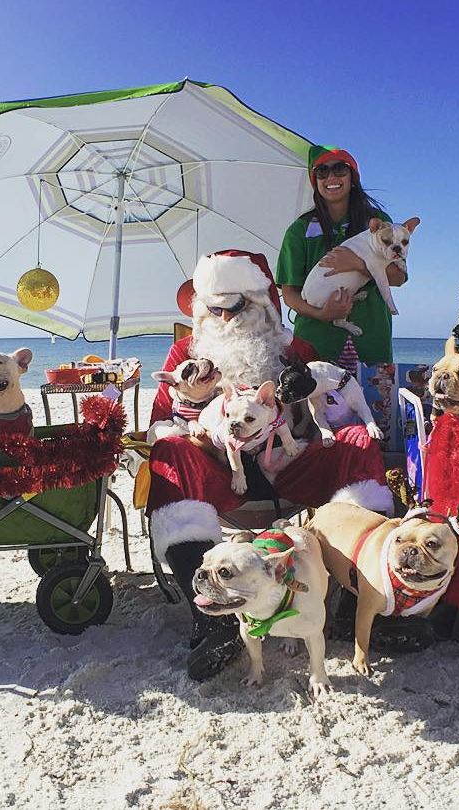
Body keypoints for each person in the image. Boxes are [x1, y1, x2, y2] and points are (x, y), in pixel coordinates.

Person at [147, 250, 393, 681]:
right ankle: (216, 621)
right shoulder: (183, 355)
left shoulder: (294, 349)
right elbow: (159, 426)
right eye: (213, 308)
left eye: (236, 305)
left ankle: (365, 596)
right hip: (219, 469)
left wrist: (309, 393)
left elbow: (335, 413)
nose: (224, 319)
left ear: (261, 304)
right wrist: (191, 412)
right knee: (170, 454)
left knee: (356, 441)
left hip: (292, 462)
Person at [275, 145, 407, 373]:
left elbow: (398, 277)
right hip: (316, 340)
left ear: (353, 177)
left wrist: (357, 264)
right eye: (322, 172)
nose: (331, 177)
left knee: (373, 404)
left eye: (339, 169)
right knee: (315, 406)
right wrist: (321, 314)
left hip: (371, 334)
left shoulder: (378, 222)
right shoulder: (299, 230)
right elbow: (289, 294)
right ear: (314, 181)